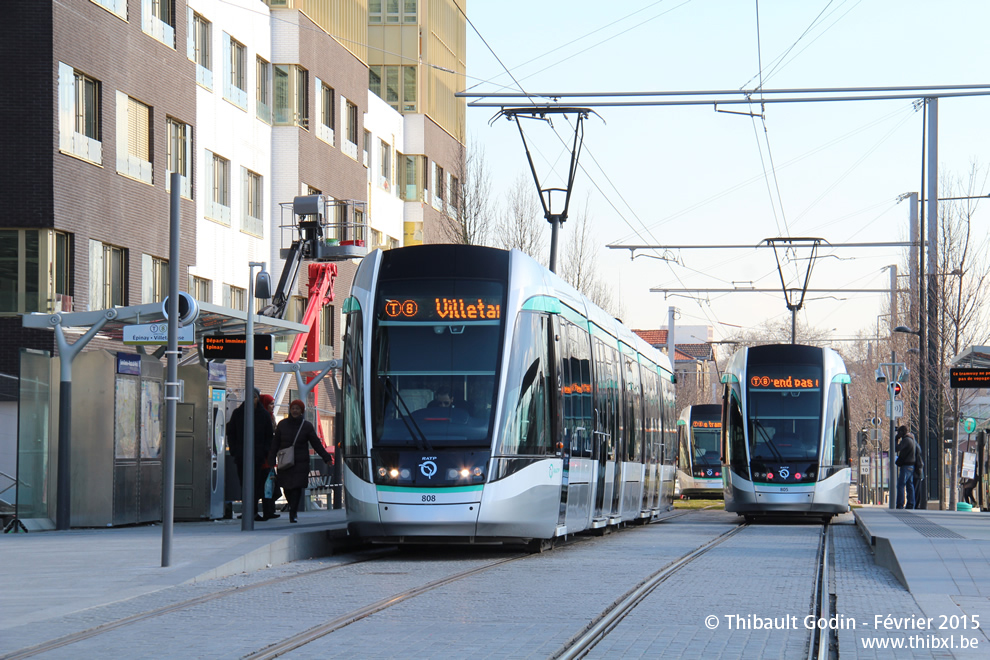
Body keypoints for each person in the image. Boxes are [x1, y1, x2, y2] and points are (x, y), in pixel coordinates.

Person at [267, 399, 333, 523]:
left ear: (301, 411)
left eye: (297, 409)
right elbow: (275, 443)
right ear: (290, 410)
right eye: (293, 408)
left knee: (297, 488)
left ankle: (293, 512)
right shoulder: (282, 424)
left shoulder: (306, 426)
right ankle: (292, 506)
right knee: (286, 487)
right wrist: (271, 459)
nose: (295, 411)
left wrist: (326, 457)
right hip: (285, 462)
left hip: (300, 463)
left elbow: (316, 444)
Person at [227, 388, 276, 521]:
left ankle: (253, 511)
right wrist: (234, 449)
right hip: (241, 455)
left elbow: (269, 435)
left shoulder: (264, 415)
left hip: (258, 456)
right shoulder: (238, 413)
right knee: (244, 483)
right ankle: (247, 510)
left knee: (256, 484)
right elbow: (231, 431)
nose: (252, 400)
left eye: (254, 397)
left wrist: (265, 450)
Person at [258, 394, 280, 520]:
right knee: (266, 484)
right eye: (271, 404)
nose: (273, 406)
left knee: (270, 484)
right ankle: (267, 510)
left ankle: (269, 510)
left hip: (269, 458)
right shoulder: (263, 417)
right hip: (264, 458)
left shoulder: (271, 417)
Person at [894, 425, 916, 510]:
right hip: (911, 465)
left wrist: (896, 439)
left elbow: (897, 448)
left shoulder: (906, 440)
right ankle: (910, 504)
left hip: (906, 465)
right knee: (909, 485)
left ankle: (900, 504)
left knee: (900, 485)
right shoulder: (911, 439)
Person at [912, 434, 925, 509]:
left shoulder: (915, 447)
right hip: (918, 472)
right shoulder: (916, 446)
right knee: (916, 489)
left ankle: (915, 505)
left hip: (917, 472)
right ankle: (915, 504)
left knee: (916, 489)